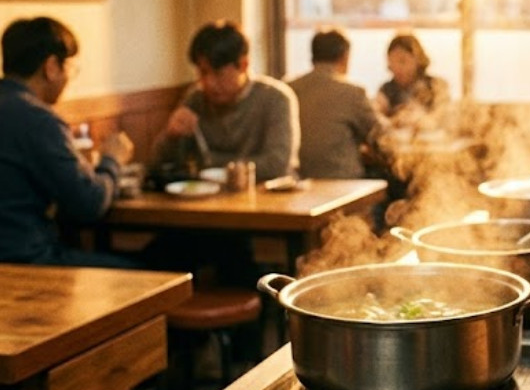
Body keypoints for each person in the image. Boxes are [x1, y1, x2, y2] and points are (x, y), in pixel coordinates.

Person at [0, 16, 138, 268]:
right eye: (69, 68)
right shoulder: (38, 119)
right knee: (148, 275)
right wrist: (112, 159)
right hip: (28, 264)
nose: (68, 78)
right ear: (51, 67)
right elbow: (89, 203)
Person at [153, 19, 299, 181]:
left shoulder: (276, 98)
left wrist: (210, 162)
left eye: (218, 74)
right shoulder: (195, 99)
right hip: (211, 200)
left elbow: (276, 165)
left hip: (268, 200)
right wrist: (170, 136)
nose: (208, 83)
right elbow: (160, 165)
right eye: (203, 72)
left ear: (243, 65)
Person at [288, 27, 384, 178]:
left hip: (298, 183)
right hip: (345, 185)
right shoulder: (353, 93)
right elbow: (379, 137)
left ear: (313, 57)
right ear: (345, 57)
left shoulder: (288, 89)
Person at [374, 32, 450, 132]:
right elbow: (375, 115)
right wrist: (392, 121)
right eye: (392, 62)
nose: (397, 68)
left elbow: (443, 114)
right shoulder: (386, 90)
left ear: (418, 60)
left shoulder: (436, 85)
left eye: (402, 61)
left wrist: (422, 120)